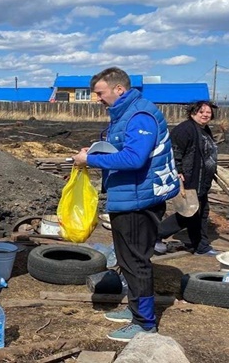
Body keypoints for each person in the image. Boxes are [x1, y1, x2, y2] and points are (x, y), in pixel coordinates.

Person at [72, 67, 179, 342]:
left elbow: (134, 159)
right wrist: (94, 151)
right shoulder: (125, 114)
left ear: (119, 89)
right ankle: (135, 311)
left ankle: (144, 323)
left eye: (100, 93)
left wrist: (91, 161)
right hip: (128, 196)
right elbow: (122, 151)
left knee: (135, 262)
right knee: (127, 260)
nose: (97, 98)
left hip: (137, 201)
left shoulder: (139, 115)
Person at [155, 101, 219, 256]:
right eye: (201, 112)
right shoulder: (185, 129)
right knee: (188, 213)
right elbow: (174, 150)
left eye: (208, 112)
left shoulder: (204, 130)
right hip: (189, 178)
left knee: (202, 212)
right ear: (192, 113)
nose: (205, 115)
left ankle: (200, 246)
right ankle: (155, 235)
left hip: (202, 179)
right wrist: (178, 170)